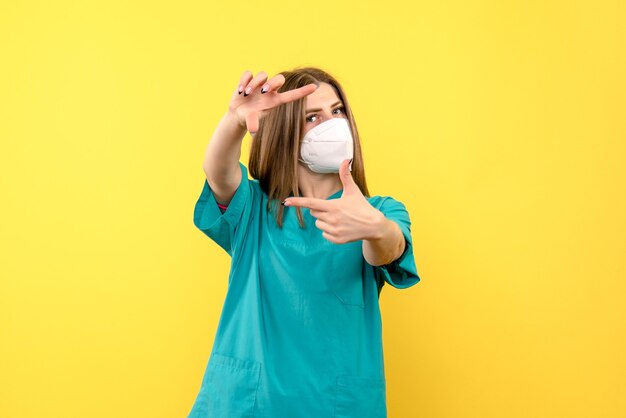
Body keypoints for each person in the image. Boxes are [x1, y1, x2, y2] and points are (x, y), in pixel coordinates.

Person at [187, 67, 421, 418]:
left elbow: (388, 249)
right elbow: (218, 170)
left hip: (335, 404)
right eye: (313, 117)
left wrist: (374, 227)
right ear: (285, 133)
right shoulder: (251, 208)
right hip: (249, 404)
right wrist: (234, 121)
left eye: (337, 111)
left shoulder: (378, 211)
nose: (332, 123)